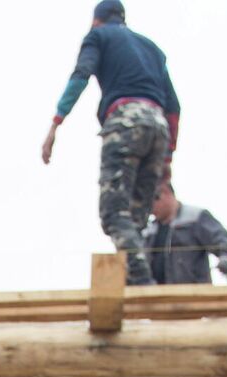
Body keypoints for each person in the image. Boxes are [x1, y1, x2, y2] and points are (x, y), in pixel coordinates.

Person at [39, 1, 180, 285]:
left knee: (114, 213)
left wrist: (56, 122)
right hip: (158, 128)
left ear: (96, 20)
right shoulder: (152, 49)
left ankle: (143, 285)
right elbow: (174, 107)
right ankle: (134, 279)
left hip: (125, 122)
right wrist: (167, 156)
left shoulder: (98, 36)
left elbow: (81, 75)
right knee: (136, 219)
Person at [144, 180, 227, 285]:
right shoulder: (148, 230)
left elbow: (219, 237)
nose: (150, 209)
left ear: (166, 193)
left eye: (152, 201)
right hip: (156, 296)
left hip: (193, 295)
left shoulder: (195, 217)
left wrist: (226, 257)